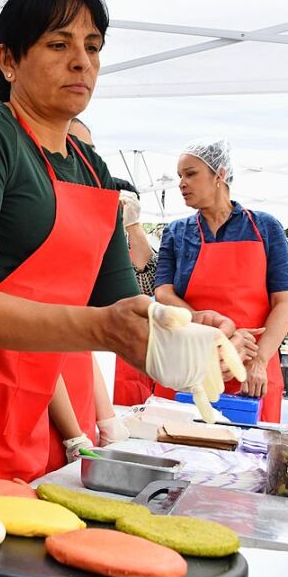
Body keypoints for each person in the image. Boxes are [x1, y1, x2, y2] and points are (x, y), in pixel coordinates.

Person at [0, 0, 243, 482]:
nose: (82, 61)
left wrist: (191, 332)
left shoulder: (92, 167)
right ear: (9, 60)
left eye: (92, 47)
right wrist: (103, 327)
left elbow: (122, 300)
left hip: (28, 394)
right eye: (59, 44)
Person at [153, 139, 288, 422]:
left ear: (219, 175)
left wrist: (259, 360)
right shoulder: (176, 232)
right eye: (179, 176)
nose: (182, 183)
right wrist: (211, 331)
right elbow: (163, 293)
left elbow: (285, 302)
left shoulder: (265, 226)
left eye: (190, 174)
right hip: (192, 360)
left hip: (253, 368)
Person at [68, 119, 159, 406]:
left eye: (90, 151)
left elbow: (140, 288)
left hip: (96, 366)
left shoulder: (112, 239)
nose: (85, 159)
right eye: (74, 148)